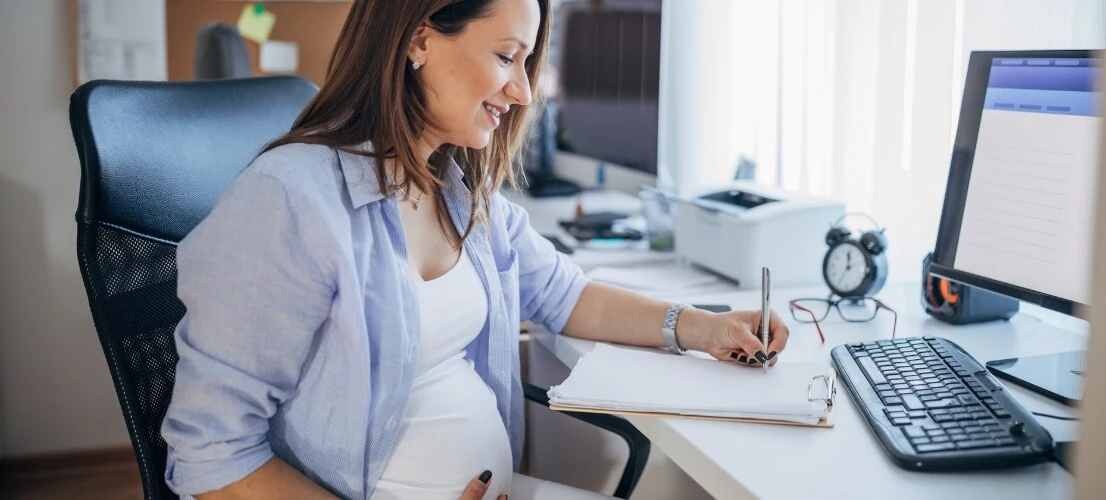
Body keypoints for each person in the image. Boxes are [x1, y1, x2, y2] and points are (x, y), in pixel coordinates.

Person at [160, 0, 790, 499]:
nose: (522, 91)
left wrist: (702, 328)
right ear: (419, 39)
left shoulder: (459, 190)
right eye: (506, 57)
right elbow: (211, 454)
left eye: (527, 63)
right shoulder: (288, 199)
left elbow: (566, 296)